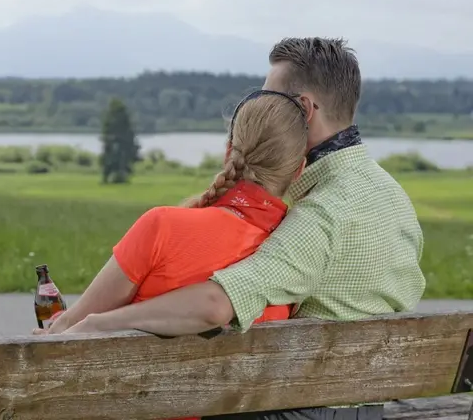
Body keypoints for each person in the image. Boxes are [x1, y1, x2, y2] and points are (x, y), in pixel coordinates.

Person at [50, 37, 426, 420]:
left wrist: (99, 322)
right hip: (371, 405)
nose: (264, 109)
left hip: (302, 410)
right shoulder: (392, 196)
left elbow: (216, 304)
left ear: (303, 109)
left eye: (271, 100)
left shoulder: (319, 215)